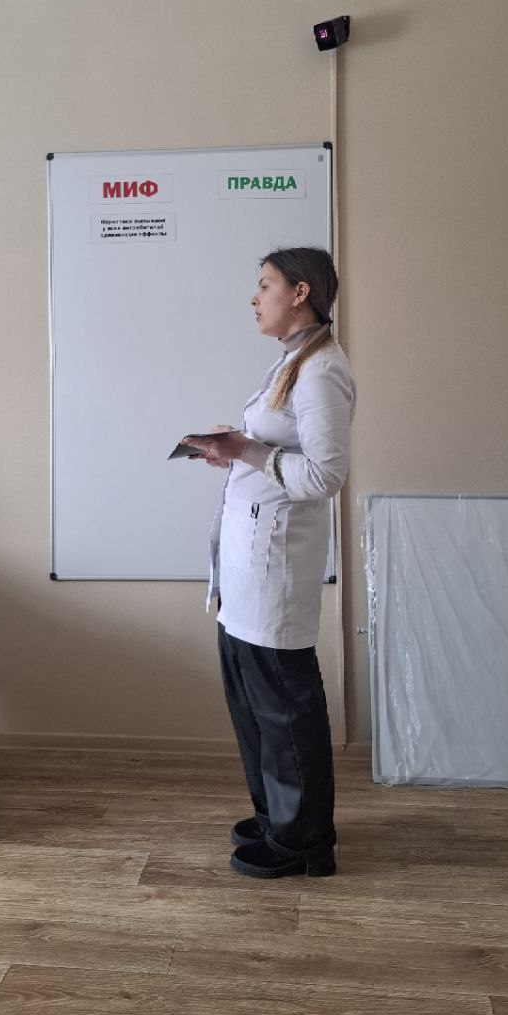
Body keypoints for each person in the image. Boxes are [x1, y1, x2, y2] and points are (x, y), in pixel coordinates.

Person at [184, 247, 355, 879]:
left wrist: (249, 452)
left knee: (284, 708)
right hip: (247, 566)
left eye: (265, 285)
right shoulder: (293, 361)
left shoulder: (322, 370)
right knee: (254, 706)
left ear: (300, 292)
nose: (254, 298)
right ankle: (277, 817)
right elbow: (277, 452)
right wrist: (233, 452)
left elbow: (326, 475)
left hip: (275, 568)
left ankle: (304, 842)